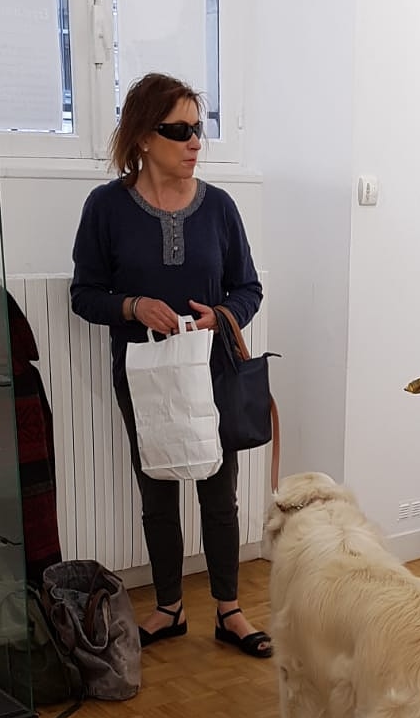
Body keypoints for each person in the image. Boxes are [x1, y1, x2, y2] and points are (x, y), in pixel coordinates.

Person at [71, 73, 271, 659]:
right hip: (143, 373)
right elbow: (85, 295)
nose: (194, 142)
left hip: (212, 372)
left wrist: (221, 315)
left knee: (220, 492)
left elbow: (249, 288)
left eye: (198, 129)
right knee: (156, 489)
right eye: (179, 130)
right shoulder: (106, 207)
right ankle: (169, 607)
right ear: (142, 136)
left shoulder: (220, 208)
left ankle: (229, 611)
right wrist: (133, 306)